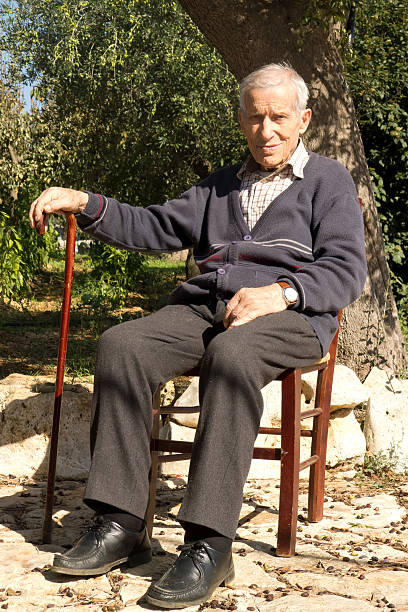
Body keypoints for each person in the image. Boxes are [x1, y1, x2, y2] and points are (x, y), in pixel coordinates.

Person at [30, 63, 367, 608]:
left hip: (293, 317)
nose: (268, 130)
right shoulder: (219, 186)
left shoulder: (328, 181)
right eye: (255, 118)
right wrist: (85, 202)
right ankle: (123, 522)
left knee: (232, 356)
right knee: (123, 345)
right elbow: (154, 225)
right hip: (206, 308)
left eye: (279, 117)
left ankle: (210, 543)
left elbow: (347, 270)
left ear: (303, 119)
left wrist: (281, 292)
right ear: (241, 121)